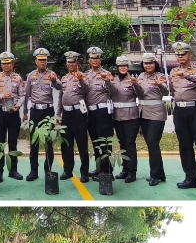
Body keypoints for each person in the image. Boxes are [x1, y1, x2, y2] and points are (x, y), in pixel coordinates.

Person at [169, 42, 196, 193]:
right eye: (178, 54)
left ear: (190, 55)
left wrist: (188, 76)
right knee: (185, 146)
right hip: (180, 111)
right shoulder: (173, 71)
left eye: (183, 54)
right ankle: (191, 178)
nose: (180, 56)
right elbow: (172, 89)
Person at [22, 48, 60, 183]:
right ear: (36, 61)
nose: (42, 62)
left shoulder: (52, 74)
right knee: (34, 141)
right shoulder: (30, 76)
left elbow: (60, 87)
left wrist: (54, 81)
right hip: (35, 111)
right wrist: (25, 112)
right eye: (40, 60)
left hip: (48, 112)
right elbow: (26, 95)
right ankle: (34, 171)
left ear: (47, 61)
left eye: (44, 60)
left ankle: (48, 169)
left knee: (49, 141)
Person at [134, 53, 171, 186]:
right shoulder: (140, 76)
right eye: (146, 63)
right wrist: (135, 85)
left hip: (156, 113)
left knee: (152, 143)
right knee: (151, 144)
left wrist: (160, 85)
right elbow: (139, 94)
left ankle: (154, 175)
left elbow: (166, 92)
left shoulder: (160, 76)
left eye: (151, 63)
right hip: (143, 113)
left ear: (155, 64)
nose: (148, 65)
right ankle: (161, 174)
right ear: (143, 65)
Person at [0, 51, 24, 180]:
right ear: (1, 64)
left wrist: (18, 105)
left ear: (12, 64)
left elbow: (23, 95)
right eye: (4, 63)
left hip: (13, 113)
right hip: (0, 112)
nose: (6, 65)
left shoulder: (18, 78)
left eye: (8, 63)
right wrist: (2, 96)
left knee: (13, 142)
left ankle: (13, 170)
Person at [57, 51, 91, 182]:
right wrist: (58, 114)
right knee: (66, 143)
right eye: (69, 62)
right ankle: (68, 170)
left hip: (78, 113)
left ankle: (84, 173)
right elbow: (60, 97)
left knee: (82, 143)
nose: (71, 64)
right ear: (66, 64)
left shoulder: (83, 76)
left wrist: (80, 79)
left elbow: (87, 90)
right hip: (66, 114)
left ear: (77, 63)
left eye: (73, 62)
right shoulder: (64, 78)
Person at [84, 47, 117, 179]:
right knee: (96, 141)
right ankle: (99, 169)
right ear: (89, 60)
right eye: (92, 58)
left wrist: (107, 81)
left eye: (97, 58)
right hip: (91, 113)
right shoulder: (85, 75)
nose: (95, 60)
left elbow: (114, 92)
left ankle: (107, 171)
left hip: (103, 111)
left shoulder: (107, 74)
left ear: (100, 60)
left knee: (105, 141)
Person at [109, 56, 142, 183]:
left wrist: (136, 84)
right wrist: (107, 82)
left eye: (125, 66)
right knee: (122, 143)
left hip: (131, 116)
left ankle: (132, 172)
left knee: (130, 144)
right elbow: (111, 93)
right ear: (117, 67)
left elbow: (140, 94)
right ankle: (125, 169)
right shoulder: (113, 80)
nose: (123, 68)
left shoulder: (132, 79)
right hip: (117, 117)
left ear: (127, 67)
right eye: (120, 66)